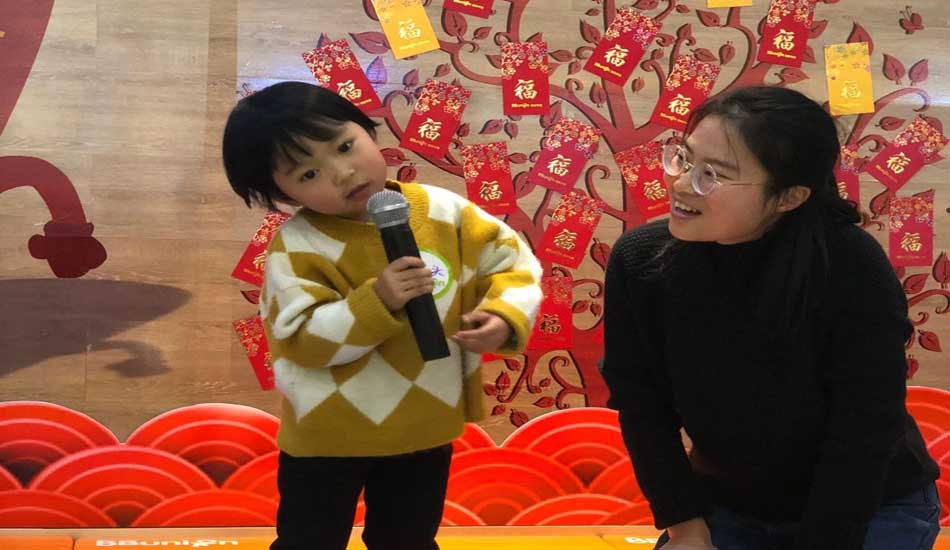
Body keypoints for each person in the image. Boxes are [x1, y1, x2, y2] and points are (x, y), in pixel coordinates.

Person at [601, 86, 940, 550]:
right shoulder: (641, 262)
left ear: (788, 197)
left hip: (869, 503)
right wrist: (686, 527)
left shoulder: (850, 266)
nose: (680, 184)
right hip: (731, 505)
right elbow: (642, 406)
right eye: (683, 158)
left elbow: (864, 427)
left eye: (713, 175)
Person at [222, 81, 542, 550]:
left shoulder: (445, 211)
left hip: (424, 427)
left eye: (344, 146)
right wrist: (377, 301)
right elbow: (302, 341)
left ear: (367, 129)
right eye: (308, 174)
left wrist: (503, 316)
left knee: (408, 540)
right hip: (329, 434)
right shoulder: (297, 246)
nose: (343, 172)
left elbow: (514, 264)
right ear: (280, 194)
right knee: (309, 541)